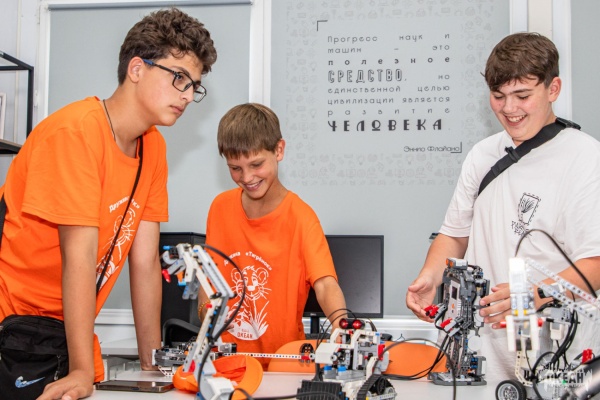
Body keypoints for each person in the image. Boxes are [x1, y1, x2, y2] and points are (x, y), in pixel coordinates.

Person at [0, 8, 217, 400]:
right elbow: (79, 258)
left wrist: (152, 364)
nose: (187, 95)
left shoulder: (153, 147)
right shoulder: (75, 133)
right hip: (14, 330)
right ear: (137, 68)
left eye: (194, 86)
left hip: (65, 334)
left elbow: (145, 263)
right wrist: (82, 371)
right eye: (179, 78)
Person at [406, 32, 600, 382]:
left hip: (557, 359)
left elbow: (596, 263)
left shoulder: (586, 159)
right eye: (498, 96)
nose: (509, 109)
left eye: (522, 96)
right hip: (481, 356)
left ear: (553, 89)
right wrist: (429, 276)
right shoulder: (482, 154)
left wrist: (534, 293)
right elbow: (454, 234)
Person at [204, 103, 347, 368]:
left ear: (279, 150)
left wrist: (344, 330)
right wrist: (207, 317)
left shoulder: (301, 217)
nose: (247, 177)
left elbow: (326, 285)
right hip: (227, 364)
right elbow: (209, 281)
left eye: (256, 164)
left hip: (283, 365)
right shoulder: (220, 208)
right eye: (235, 168)